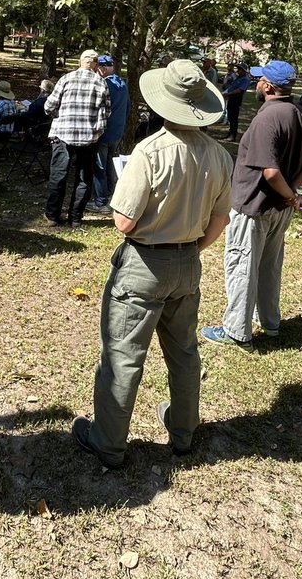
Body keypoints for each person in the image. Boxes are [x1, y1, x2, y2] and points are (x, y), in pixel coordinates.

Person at [71, 60, 232, 467]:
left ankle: (107, 443)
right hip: (188, 264)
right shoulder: (219, 155)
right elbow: (220, 219)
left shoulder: (149, 151)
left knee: (123, 356)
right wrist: (192, 247)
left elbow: (123, 220)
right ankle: (183, 432)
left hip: (143, 263)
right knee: (184, 353)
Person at [202, 60, 302, 348]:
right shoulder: (300, 113)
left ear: (268, 86)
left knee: (242, 266)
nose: (256, 83)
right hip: (280, 210)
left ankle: (235, 330)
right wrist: (292, 190)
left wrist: (288, 192)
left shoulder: (267, 119)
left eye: (260, 80)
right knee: (269, 266)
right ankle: (269, 322)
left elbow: (270, 172)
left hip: (253, 208)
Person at [44, 50, 110, 226]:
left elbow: (49, 105)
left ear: (80, 62)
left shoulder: (66, 79)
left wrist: (59, 115)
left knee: (58, 175)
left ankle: (52, 216)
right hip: (89, 139)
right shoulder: (101, 83)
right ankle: (75, 218)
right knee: (83, 179)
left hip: (63, 135)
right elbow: (106, 113)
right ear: (95, 65)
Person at [88, 54, 131, 213]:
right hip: (117, 132)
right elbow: (128, 108)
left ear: (103, 69)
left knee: (99, 167)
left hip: (104, 132)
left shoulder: (104, 84)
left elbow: (97, 108)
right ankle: (112, 196)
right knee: (110, 166)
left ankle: (100, 203)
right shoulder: (122, 83)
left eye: (97, 69)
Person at [222, 63, 252, 141]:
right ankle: (230, 133)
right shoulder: (238, 77)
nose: (237, 70)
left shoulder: (245, 79)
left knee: (234, 118)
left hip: (236, 99)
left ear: (243, 70)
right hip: (231, 99)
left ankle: (232, 136)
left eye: (239, 69)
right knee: (230, 117)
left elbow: (240, 90)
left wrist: (228, 94)